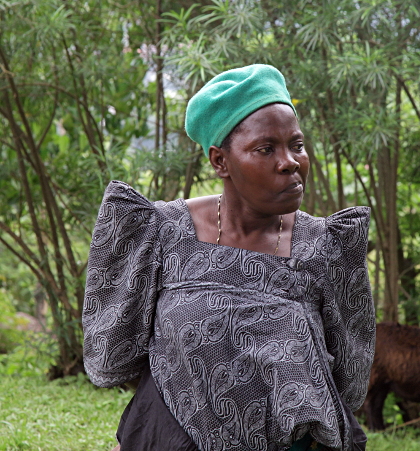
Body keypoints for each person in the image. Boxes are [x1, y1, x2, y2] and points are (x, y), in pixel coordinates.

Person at [83, 64, 376, 451]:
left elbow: (349, 380)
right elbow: (111, 357)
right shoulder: (161, 232)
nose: (290, 161)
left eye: (297, 145)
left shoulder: (326, 246)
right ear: (220, 161)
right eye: (266, 149)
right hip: (169, 439)